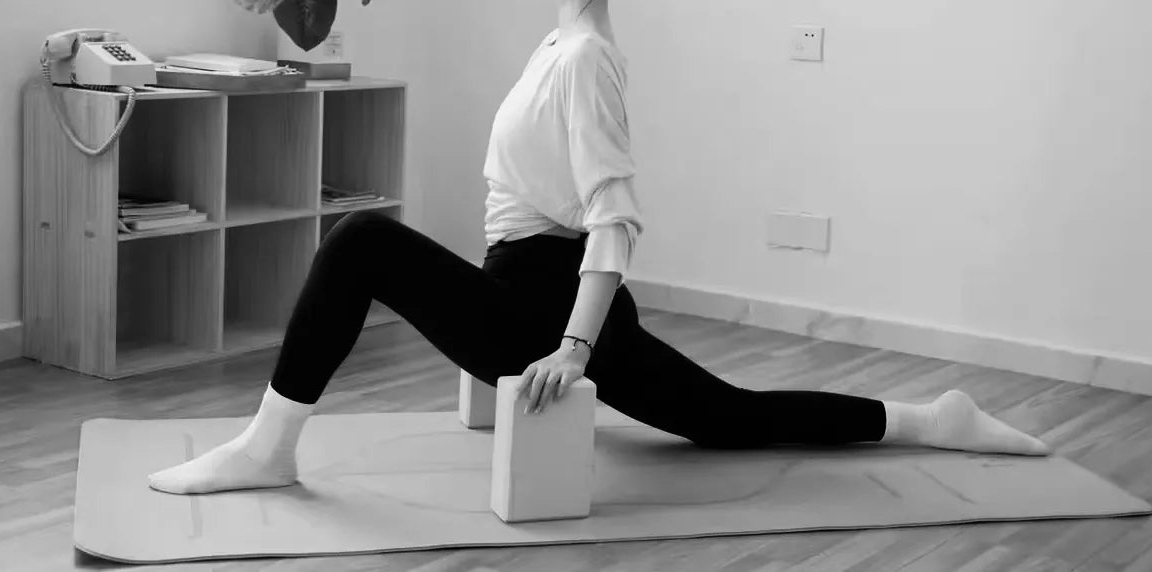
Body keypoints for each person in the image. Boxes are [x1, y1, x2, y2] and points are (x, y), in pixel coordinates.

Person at [148, 0, 1048, 495]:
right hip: (530, 289)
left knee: (359, 240)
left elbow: (612, 214)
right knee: (723, 418)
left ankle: (269, 448)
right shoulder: (559, 42)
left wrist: (573, 348)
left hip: (543, 308)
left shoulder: (583, 60)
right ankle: (930, 420)